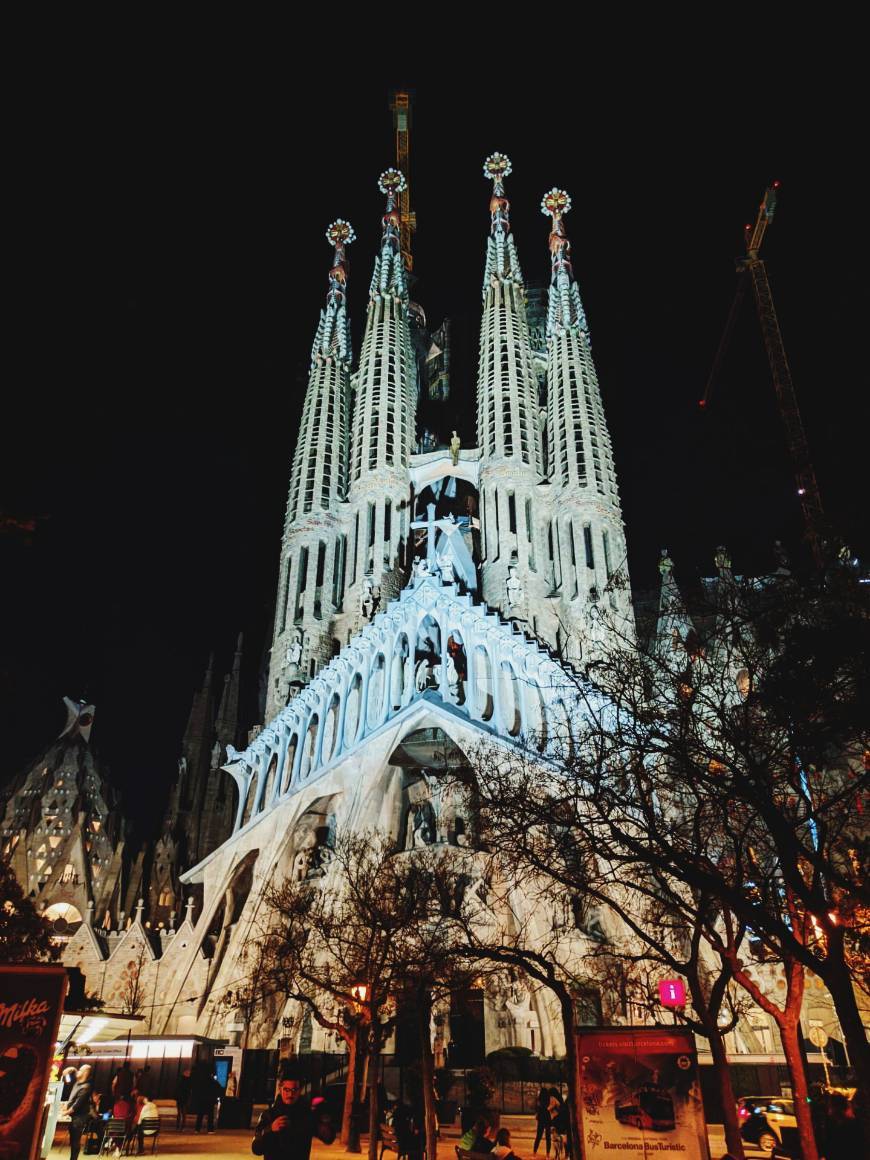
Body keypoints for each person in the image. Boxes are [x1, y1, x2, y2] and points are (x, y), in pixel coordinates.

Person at [252, 1072, 336, 1159]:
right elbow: (256, 1149)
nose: (290, 1094)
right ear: (280, 1088)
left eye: (294, 1090)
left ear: (300, 1090)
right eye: (286, 1090)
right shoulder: (269, 1115)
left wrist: (324, 1122)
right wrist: (271, 1129)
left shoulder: (307, 1115)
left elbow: (328, 1138)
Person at [63, 1064, 94, 1160]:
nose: (77, 1072)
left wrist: (64, 1113)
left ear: (85, 1073)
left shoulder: (86, 1087)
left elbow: (77, 1105)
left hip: (79, 1117)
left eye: (80, 1070)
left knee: (75, 1140)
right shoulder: (78, 1082)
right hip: (73, 1115)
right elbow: (66, 1077)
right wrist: (69, 1070)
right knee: (72, 1140)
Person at [533, 1087, 551, 1156]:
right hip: (547, 1116)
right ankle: (547, 1154)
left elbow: (536, 1107)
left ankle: (534, 1151)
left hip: (541, 1117)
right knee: (548, 1137)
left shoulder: (539, 1100)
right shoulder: (547, 1099)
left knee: (538, 1136)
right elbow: (548, 1106)